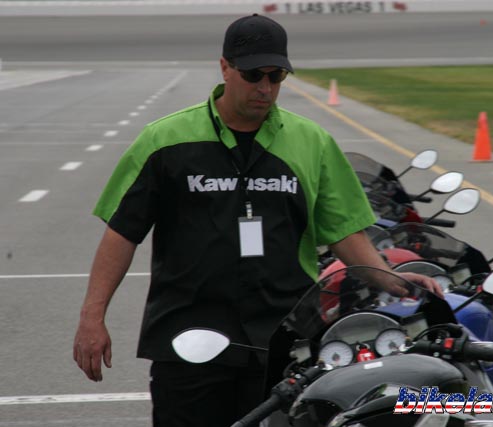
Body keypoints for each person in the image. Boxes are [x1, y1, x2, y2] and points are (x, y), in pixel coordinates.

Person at [72, 14, 442, 427]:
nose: (264, 88)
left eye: (276, 76)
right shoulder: (165, 140)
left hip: (285, 343)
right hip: (189, 340)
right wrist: (92, 317)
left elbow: (344, 233)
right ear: (225, 68)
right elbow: (122, 233)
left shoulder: (312, 142)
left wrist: (393, 279)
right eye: (253, 75)